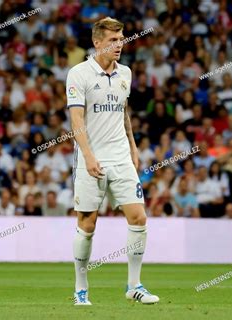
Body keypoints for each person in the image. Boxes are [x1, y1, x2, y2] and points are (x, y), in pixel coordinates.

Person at [66, 17, 159, 305]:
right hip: (91, 159)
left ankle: (134, 285)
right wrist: (89, 156)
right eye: (113, 41)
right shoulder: (79, 74)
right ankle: (81, 288)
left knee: (139, 218)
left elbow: (123, 112)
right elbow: (77, 120)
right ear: (97, 43)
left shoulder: (125, 74)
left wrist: (132, 146)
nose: (119, 45)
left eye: (121, 40)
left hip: (120, 156)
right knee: (87, 224)